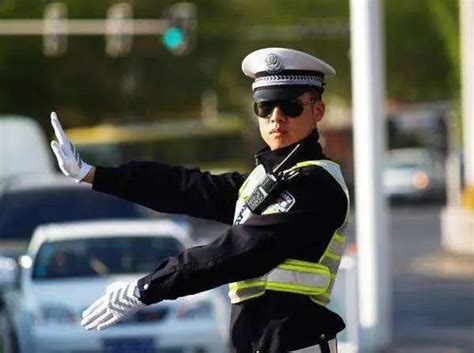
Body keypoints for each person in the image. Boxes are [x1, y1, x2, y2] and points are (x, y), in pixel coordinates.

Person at [50, 47, 350, 353]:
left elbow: (241, 249)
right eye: (265, 106)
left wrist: (146, 288)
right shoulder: (267, 178)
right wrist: (95, 175)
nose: (276, 117)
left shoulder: (315, 185)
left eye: (290, 106)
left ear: (318, 111)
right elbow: (187, 188)